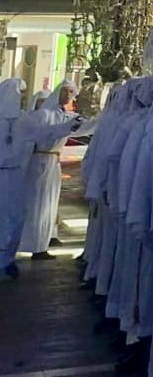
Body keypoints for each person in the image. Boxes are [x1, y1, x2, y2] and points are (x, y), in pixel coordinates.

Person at [1, 78, 80, 278]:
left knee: (14, 217)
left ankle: (6, 259)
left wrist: (69, 127)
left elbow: (45, 132)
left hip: (15, 174)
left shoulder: (23, 120)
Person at [19, 80, 79, 259]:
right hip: (40, 163)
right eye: (65, 92)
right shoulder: (43, 115)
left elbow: (77, 129)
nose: (68, 96)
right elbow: (44, 133)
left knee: (49, 205)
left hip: (53, 163)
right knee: (37, 204)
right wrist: (67, 127)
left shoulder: (64, 116)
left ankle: (43, 242)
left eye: (71, 92)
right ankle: (34, 244)